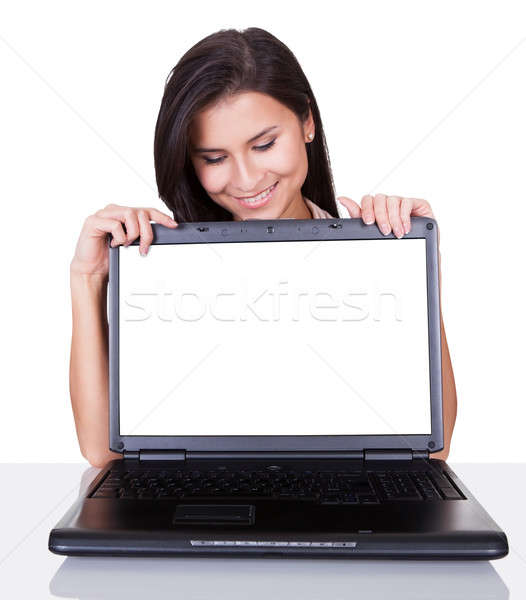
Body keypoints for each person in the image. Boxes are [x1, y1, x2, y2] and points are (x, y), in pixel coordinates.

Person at [70, 27, 457, 468]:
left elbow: (433, 448)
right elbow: (101, 452)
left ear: (306, 123)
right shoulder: (158, 265)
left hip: (340, 507)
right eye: (214, 158)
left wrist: (418, 269)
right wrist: (87, 280)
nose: (248, 179)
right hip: (203, 506)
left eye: (265, 144)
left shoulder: (375, 254)